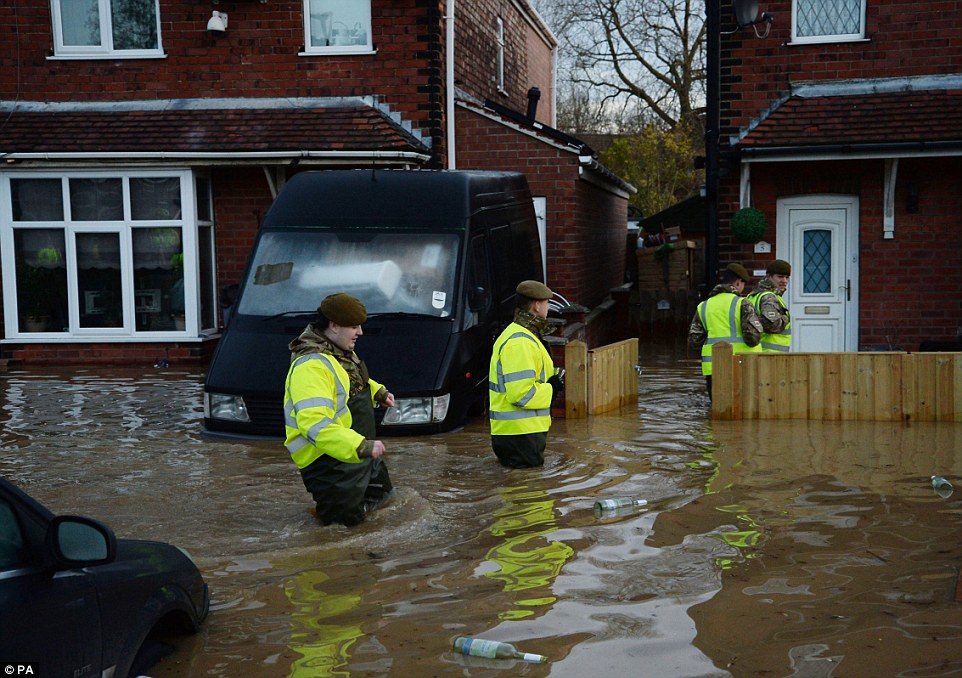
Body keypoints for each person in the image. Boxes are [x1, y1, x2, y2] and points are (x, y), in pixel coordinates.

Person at [283, 292, 394, 526]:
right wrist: (360, 446)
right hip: (329, 465)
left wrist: (377, 392)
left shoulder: (338, 350)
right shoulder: (311, 366)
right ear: (333, 325)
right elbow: (315, 423)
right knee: (342, 532)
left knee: (385, 501)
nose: (360, 333)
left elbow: (349, 382)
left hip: (354, 452)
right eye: (354, 326)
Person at [488, 280, 564, 468]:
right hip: (520, 434)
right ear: (536, 306)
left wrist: (555, 376)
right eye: (547, 303)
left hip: (520, 434)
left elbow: (532, 374)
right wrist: (551, 389)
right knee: (530, 494)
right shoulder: (520, 341)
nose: (548, 308)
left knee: (522, 491)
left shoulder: (525, 336)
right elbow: (521, 394)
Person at [688, 263, 763, 396]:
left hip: (713, 368)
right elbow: (753, 338)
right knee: (744, 410)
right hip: (742, 365)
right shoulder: (742, 303)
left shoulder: (703, 306)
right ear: (738, 282)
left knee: (717, 409)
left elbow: (694, 342)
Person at [748, 259, 792, 352]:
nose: (784, 281)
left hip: (758, 352)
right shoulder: (769, 297)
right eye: (780, 277)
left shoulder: (753, 295)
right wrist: (785, 318)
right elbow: (771, 325)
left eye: (787, 277)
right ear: (769, 277)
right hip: (770, 355)